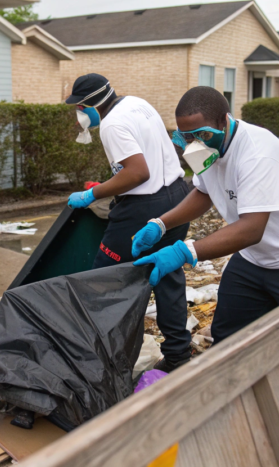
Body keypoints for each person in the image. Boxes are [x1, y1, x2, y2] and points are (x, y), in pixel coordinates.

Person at [131, 87, 279, 344]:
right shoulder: (205, 149)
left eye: (202, 134)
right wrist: (161, 223)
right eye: (185, 137)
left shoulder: (257, 153)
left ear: (224, 121)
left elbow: (251, 229)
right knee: (227, 337)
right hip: (255, 257)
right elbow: (204, 192)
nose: (194, 144)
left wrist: (185, 252)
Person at [64, 73, 193, 371]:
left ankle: (100, 363)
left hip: (141, 209)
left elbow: (137, 173)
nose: (78, 114)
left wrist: (91, 194)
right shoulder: (137, 103)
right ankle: (178, 355)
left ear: (90, 105)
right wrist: (113, 182)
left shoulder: (111, 124)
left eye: (79, 108)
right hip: (176, 197)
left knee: (104, 283)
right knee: (168, 277)